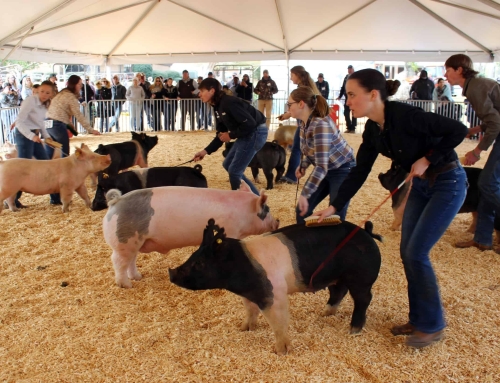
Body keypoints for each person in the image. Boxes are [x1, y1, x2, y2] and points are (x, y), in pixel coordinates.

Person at [314, 69, 468, 348]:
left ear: (373, 95)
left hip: (448, 182)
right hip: (420, 187)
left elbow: (458, 130)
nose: (347, 101)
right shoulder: (373, 129)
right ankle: (419, 319)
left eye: (351, 95)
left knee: (416, 252)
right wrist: (334, 206)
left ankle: (432, 327)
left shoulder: (406, 115)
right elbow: (359, 171)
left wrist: (427, 157)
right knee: (408, 253)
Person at [446, 54, 500, 253]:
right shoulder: (476, 85)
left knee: (487, 183)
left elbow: (495, 124)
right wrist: (473, 130)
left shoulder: (475, 88)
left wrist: (477, 151)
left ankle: (484, 237)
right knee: (487, 186)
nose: (446, 74)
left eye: (448, 70)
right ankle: (482, 239)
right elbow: (494, 118)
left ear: (459, 70)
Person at [288, 87, 355, 224]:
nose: (288, 108)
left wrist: (305, 193)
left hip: (342, 168)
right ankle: (306, 244)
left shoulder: (320, 124)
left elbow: (321, 166)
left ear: (301, 104)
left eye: (289, 104)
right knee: (302, 211)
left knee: (335, 216)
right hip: (326, 167)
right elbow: (313, 150)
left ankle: (334, 245)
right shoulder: (303, 122)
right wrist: (303, 165)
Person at [192, 78, 268, 195]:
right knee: (228, 165)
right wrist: (205, 151)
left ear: (212, 91)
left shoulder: (228, 102)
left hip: (256, 132)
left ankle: (256, 205)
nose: (199, 94)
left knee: (235, 171)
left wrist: (231, 135)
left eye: (201, 91)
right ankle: (252, 199)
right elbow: (221, 134)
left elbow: (250, 123)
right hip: (248, 132)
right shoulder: (217, 106)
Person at [46, 75, 100, 205]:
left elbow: (61, 113)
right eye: (80, 84)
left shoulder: (61, 93)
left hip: (47, 125)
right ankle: (60, 195)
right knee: (64, 161)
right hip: (57, 125)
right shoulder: (70, 97)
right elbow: (78, 115)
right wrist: (90, 129)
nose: (81, 87)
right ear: (75, 84)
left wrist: (73, 130)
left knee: (50, 161)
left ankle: (53, 196)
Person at [13, 81, 54, 208]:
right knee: (23, 168)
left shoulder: (45, 104)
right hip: (24, 135)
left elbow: (40, 122)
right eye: (42, 91)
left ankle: (56, 198)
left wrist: (47, 137)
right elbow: (19, 122)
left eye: (47, 92)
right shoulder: (30, 101)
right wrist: (32, 136)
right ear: (38, 90)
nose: (44, 94)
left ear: (51, 93)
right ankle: (12, 200)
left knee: (46, 164)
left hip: (34, 135)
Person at [277, 65, 320, 185]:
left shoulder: (302, 89)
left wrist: (288, 114)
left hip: (305, 122)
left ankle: (292, 176)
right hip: (305, 121)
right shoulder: (308, 87)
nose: (291, 78)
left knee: (297, 148)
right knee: (298, 148)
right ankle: (292, 174)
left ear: (298, 75)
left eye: (292, 75)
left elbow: (302, 107)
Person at [337, 65, 356, 133]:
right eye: (348, 69)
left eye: (350, 69)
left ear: (353, 69)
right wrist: (340, 96)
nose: (349, 70)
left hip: (354, 97)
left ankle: (353, 128)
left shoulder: (356, 77)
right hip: (347, 97)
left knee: (354, 113)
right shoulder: (346, 77)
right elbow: (343, 87)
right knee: (346, 113)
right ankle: (349, 126)